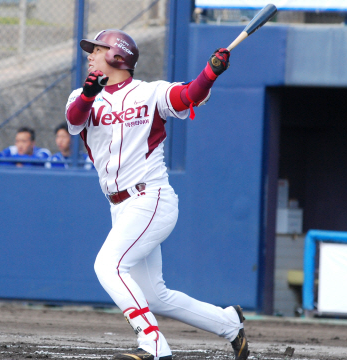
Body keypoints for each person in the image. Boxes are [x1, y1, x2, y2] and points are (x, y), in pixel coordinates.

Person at [65, 29, 249, 360]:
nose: (90, 54)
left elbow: (189, 95)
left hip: (150, 198)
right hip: (119, 207)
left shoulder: (150, 93)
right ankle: (229, 324)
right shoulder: (81, 95)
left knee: (109, 266)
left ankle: (152, 342)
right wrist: (89, 94)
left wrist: (210, 72)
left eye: (97, 49)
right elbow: (74, 119)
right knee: (155, 295)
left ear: (117, 56)